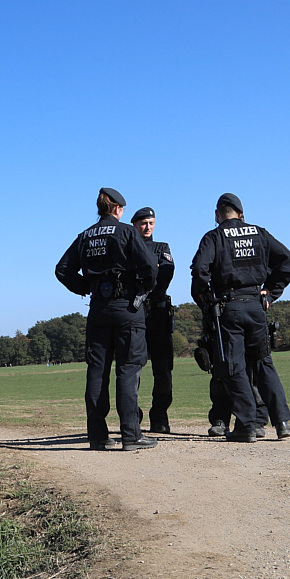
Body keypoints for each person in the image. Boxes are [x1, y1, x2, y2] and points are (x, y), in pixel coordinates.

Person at [55, 188, 158, 451]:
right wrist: (142, 288)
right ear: (118, 210)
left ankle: (98, 436)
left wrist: (86, 287)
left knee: (97, 373)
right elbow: (150, 267)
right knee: (127, 369)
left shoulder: (85, 236)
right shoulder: (126, 232)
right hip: (127, 308)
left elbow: (62, 269)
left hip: (98, 309)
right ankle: (131, 436)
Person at [190, 193, 290, 443]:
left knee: (233, 366)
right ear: (241, 214)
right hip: (256, 307)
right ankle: (281, 422)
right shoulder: (260, 233)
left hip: (229, 308)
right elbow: (287, 262)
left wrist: (205, 299)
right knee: (263, 363)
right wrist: (270, 292)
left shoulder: (214, 237)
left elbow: (199, 271)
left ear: (217, 215)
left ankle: (246, 425)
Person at [131, 207, 175, 434]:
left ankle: (160, 416)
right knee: (132, 368)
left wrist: (144, 276)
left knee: (163, 370)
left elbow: (167, 272)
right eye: (143, 223)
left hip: (158, 313)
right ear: (134, 225)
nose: (147, 227)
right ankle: (132, 416)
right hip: (134, 313)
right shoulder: (127, 247)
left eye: (151, 223)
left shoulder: (161, 248)